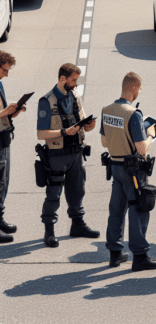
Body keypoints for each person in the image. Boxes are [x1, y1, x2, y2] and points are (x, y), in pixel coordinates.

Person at [100, 72, 156, 271]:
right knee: (138, 209)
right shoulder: (133, 114)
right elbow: (141, 149)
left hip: (115, 166)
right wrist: (150, 135)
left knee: (116, 210)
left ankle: (115, 253)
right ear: (134, 88)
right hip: (133, 171)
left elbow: (104, 142)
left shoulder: (107, 110)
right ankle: (140, 256)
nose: (139, 93)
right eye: (139, 89)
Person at [37, 63, 99, 248]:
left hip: (76, 153)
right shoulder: (46, 101)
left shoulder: (74, 95)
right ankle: (49, 231)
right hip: (57, 155)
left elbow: (83, 120)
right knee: (53, 194)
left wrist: (89, 126)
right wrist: (64, 132)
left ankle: (77, 225)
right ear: (62, 79)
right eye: (73, 80)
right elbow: (41, 134)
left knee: (77, 190)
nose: (75, 84)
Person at [0, 51, 26, 244]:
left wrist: (12, 112)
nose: (7, 75)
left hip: (4, 137)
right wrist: (5, 112)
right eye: (5, 70)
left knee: (3, 181)